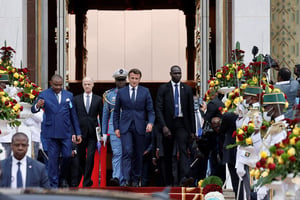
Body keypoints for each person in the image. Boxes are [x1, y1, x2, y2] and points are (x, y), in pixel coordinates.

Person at [31, 74, 82, 188]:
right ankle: (53, 186)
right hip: (51, 133)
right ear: (50, 83)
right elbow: (33, 109)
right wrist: (37, 105)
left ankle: (62, 177)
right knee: (53, 161)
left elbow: (73, 116)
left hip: (65, 132)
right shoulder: (44, 94)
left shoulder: (69, 95)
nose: (58, 87)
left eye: (60, 85)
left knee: (67, 156)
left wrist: (78, 133)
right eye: (56, 85)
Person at [113, 68, 155, 187]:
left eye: (136, 79)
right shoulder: (122, 92)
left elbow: (151, 111)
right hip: (125, 126)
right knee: (127, 151)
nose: (134, 81)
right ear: (128, 78)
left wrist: (150, 123)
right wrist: (116, 127)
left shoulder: (145, 91)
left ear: (140, 79)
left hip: (140, 126)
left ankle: (136, 178)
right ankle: (126, 179)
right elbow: (116, 112)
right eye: (132, 78)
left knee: (138, 153)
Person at [156, 65, 196, 186]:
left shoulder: (187, 89)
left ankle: (184, 177)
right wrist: (163, 126)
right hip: (168, 123)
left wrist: (192, 131)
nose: (177, 75)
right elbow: (158, 108)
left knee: (183, 149)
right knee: (168, 153)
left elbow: (190, 111)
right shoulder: (163, 89)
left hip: (182, 123)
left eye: (179, 73)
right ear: (170, 74)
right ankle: (168, 180)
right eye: (175, 73)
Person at [73, 76, 103, 187]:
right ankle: (87, 177)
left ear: (93, 85)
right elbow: (74, 117)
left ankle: (86, 181)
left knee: (90, 156)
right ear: (82, 85)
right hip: (80, 132)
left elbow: (102, 116)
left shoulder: (98, 99)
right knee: (81, 157)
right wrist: (74, 132)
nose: (87, 86)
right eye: (85, 84)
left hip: (92, 133)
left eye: (89, 84)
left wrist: (102, 134)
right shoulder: (76, 99)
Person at [102, 68, 128, 186]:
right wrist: (104, 133)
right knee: (117, 153)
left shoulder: (130, 92)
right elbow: (105, 115)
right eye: (119, 80)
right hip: (113, 128)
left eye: (123, 80)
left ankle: (125, 179)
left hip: (128, 128)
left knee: (127, 153)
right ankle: (116, 177)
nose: (121, 82)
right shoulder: (109, 95)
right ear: (115, 81)